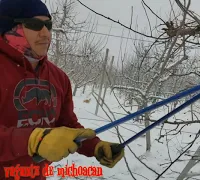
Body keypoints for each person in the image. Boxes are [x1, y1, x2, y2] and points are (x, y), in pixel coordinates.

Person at [0, 0, 124, 179]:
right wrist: (32, 140)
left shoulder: (59, 78)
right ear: (11, 28)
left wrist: (95, 146)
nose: (45, 33)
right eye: (34, 25)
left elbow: (66, 124)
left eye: (48, 25)